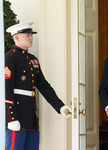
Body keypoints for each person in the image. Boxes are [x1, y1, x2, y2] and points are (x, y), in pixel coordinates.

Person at [5, 22, 71, 150]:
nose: (31, 38)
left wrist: (60, 106)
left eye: (31, 35)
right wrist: (11, 117)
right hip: (16, 117)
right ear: (16, 38)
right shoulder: (10, 57)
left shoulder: (32, 59)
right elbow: (6, 89)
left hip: (31, 117)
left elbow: (44, 86)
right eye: (28, 35)